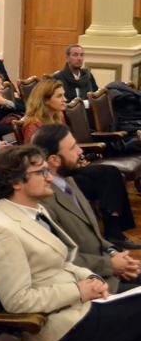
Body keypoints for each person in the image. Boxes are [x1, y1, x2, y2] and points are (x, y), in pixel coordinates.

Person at [0, 146, 141, 341]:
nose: (49, 178)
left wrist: (92, 278)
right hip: (57, 327)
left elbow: (63, 261)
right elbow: (17, 301)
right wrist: (78, 290)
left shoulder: (35, 210)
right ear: (16, 182)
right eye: (41, 172)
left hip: (77, 308)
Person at [32, 124, 140, 291]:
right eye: (73, 148)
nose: (80, 151)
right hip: (91, 285)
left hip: (107, 270)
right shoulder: (44, 201)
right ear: (54, 160)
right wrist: (110, 265)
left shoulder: (68, 181)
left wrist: (113, 253)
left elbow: (94, 238)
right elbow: (62, 259)